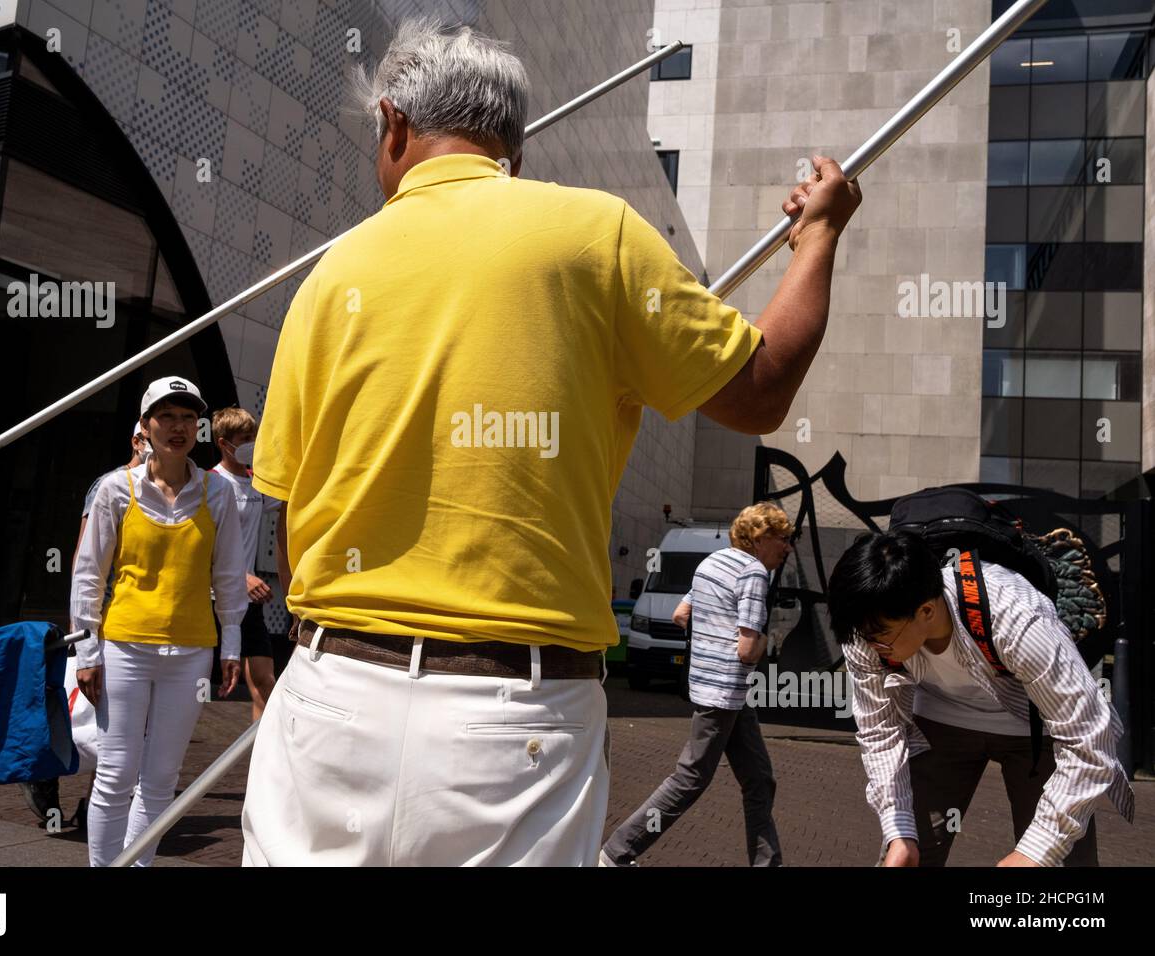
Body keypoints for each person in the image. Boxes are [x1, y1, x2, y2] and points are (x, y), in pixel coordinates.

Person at [241, 18, 861, 866]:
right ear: (515, 148)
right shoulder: (593, 235)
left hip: (330, 692)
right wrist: (819, 236)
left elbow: (290, 516)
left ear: (393, 124)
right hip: (515, 719)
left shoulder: (331, 273)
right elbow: (761, 391)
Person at [827, 530, 1135, 867]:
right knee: (909, 855)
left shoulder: (1017, 619)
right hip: (939, 723)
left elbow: (1088, 738)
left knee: (1059, 859)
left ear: (926, 611)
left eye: (882, 637)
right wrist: (898, 831)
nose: (872, 648)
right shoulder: (868, 628)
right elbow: (879, 730)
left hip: (1037, 728)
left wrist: (1036, 851)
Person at [70, 376, 247, 867]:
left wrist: (230, 645)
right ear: (145, 426)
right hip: (125, 646)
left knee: (163, 778)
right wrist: (87, 650)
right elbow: (88, 575)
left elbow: (229, 575)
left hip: (191, 653)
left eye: (189, 418)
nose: (178, 427)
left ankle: (137, 865)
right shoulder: (115, 490)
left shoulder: (218, 493)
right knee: (115, 774)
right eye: (166, 416)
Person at [601, 503, 792, 866]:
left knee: (759, 780)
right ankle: (615, 853)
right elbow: (749, 650)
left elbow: (680, 614)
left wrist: (711, 640)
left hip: (723, 692)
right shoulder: (754, 573)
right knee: (690, 779)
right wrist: (771, 639)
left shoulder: (710, 563)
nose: (788, 547)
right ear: (761, 538)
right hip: (724, 692)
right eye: (783, 539)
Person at [18, 422, 150, 826]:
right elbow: (84, 556)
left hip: (137, 621)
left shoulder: (166, 490)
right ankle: (45, 773)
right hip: (105, 616)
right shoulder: (110, 485)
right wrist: (83, 619)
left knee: (116, 717)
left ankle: (95, 801)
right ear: (137, 440)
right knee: (82, 706)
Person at [210, 407, 285, 720]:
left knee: (265, 683)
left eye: (254, 437)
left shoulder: (257, 483)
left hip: (249, 602)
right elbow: (204, 547)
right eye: (245, 439)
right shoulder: (211, 484)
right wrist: (240, 577)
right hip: (212, 599)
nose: (252, 444)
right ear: (224, 443)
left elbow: (291, 500)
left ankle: (260, 764)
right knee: (193, 683)